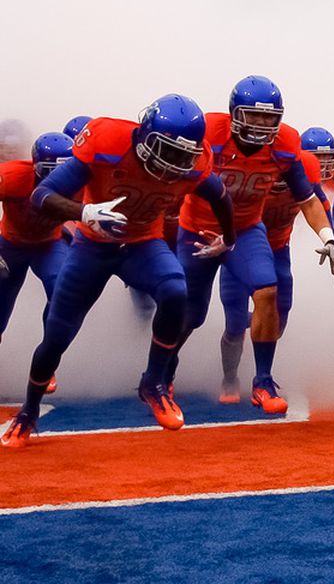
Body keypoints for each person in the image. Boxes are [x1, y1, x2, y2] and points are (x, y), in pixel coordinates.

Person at [2, 95, 236, 448]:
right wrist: (83, 213)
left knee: (176, 290)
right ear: (145, 137)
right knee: (56, 338)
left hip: (142, 244)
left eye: (182, 155)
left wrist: (229, 240)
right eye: (167, 150)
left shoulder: (196, 164)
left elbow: (221, 197)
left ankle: (154, 383)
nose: (174, 163)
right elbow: (42, 195)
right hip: (92, 247)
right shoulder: (107, 141)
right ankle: (28, 413)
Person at [171, 76, 334, 415]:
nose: (262, 124)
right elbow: (175, 180)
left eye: (269, 117)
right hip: (200, 230)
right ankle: (163, 369)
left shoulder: (286, 145)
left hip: (246, 230)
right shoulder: (208, 133)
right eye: (254, 116)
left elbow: (309, 199)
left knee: (268, 291)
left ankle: (262, 380)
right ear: (234, 114)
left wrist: (328, 238)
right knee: (192, 313)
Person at [214, 127, 334, 403]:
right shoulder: (252, 178)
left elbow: (321, 209)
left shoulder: (305, 177)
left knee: (278, 316)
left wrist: (332, 240)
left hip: (278, 249)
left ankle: (262, 371)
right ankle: (230, 376)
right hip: (239, 250)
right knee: (234, 323)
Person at [0, 132, 75, 347]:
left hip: (49, 244)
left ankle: (47, 355)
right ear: (35, 167)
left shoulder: (80, 181)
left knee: (61, 288)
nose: (56, 180)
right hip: (11, 245)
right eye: (48, 172)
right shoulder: (13, 176)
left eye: (63, 172)